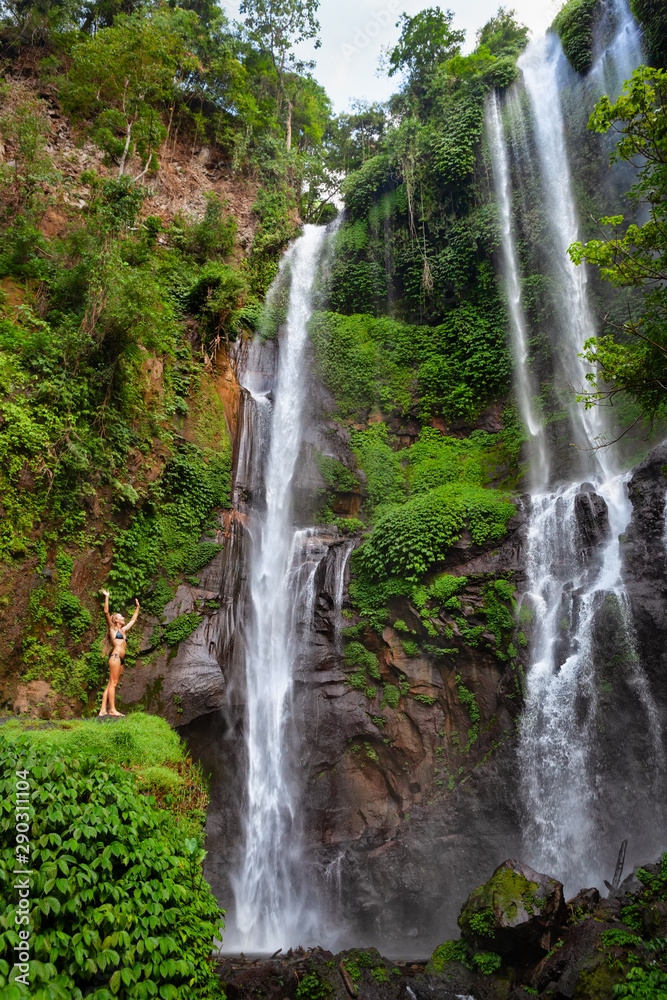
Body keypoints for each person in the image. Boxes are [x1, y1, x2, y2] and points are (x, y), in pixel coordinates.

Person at [99, 589, 140, 717]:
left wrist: (138, 607)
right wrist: (107, 597)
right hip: (115, 657)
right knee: (114, 683)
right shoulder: (113, 629)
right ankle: (112, 710)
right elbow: (106, 612)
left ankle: (102, 710)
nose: (124, 617)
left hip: (121, 660)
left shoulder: (123, 630)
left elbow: (133, 621)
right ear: (116, 620)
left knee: (111, 683)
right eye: (121, 616)